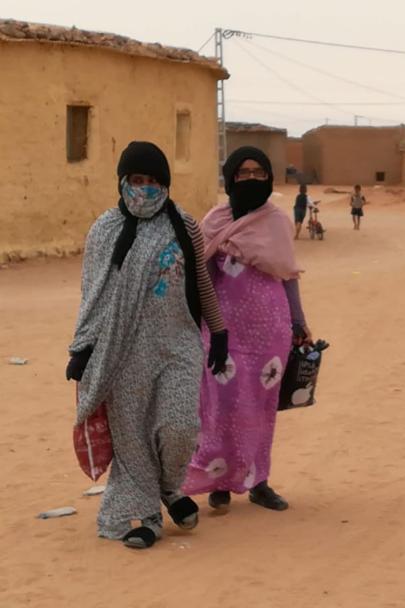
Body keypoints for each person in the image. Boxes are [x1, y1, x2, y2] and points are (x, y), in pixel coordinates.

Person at [67, 141, 229, 549]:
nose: (145, 189)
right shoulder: (104, 230)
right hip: (123, 353)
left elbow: (202, 282)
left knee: (179, 428)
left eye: (154, 181)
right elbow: (94, 293)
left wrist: (220, 331)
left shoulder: (184, 225)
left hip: (178, 345)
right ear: (122, 182)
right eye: (137, 180)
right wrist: (82, 349)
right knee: (133, 437)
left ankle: (170, 486)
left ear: (166, 184)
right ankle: (149, 516)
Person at [182, 146, 310, 512]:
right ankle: (220, 480)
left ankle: (259, 482)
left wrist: (299, 321)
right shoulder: (214, 222)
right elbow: (201, 277)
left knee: (260, 410)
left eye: (259, 173)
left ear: (269, 178)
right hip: (223, 333)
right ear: (231, 177)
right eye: (244, 173)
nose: (252, 179)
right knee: (218, 408)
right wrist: (198, 322)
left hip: (270, 331)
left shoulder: (277, 222)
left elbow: (288, 275)